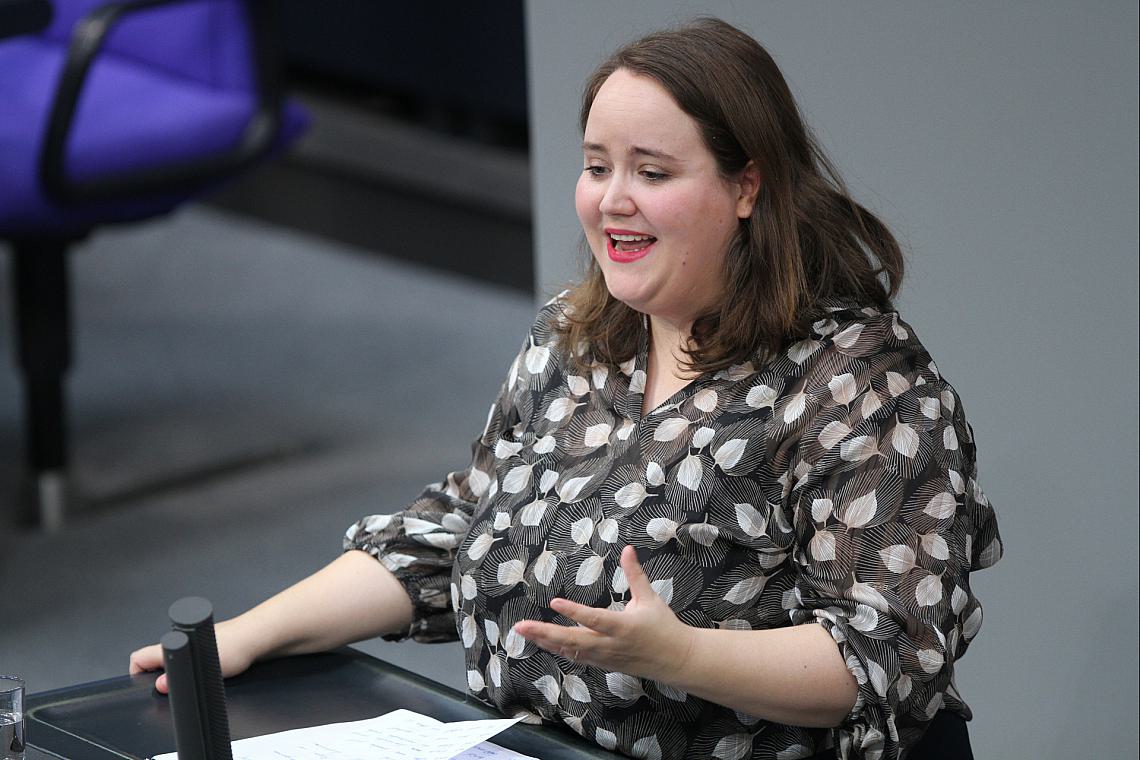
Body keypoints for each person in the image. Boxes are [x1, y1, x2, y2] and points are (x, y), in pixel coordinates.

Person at [130, 17, 1001, 760]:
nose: (612, 201)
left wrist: (678, 654)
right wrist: (247, 636)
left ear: (747, 186)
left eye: (652, 173)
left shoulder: (862, 384)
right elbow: (453, 530)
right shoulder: (577, 336)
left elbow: (885, 654)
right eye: (597, 166)